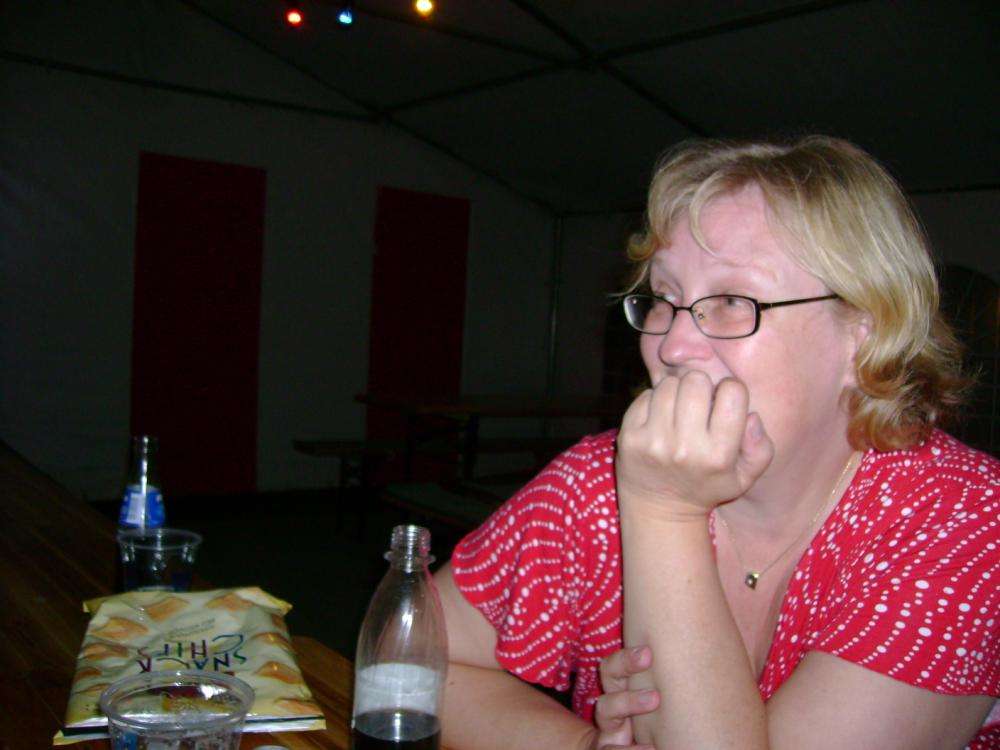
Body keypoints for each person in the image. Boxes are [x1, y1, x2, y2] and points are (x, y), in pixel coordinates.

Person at [433, 135, 999, 749]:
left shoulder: (968, 518)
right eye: (664, 299)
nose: (672, 346)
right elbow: (404, 650)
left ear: (863, 334)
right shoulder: (598, 482)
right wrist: (579, 746)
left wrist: (664, 511)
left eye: (732, 301)